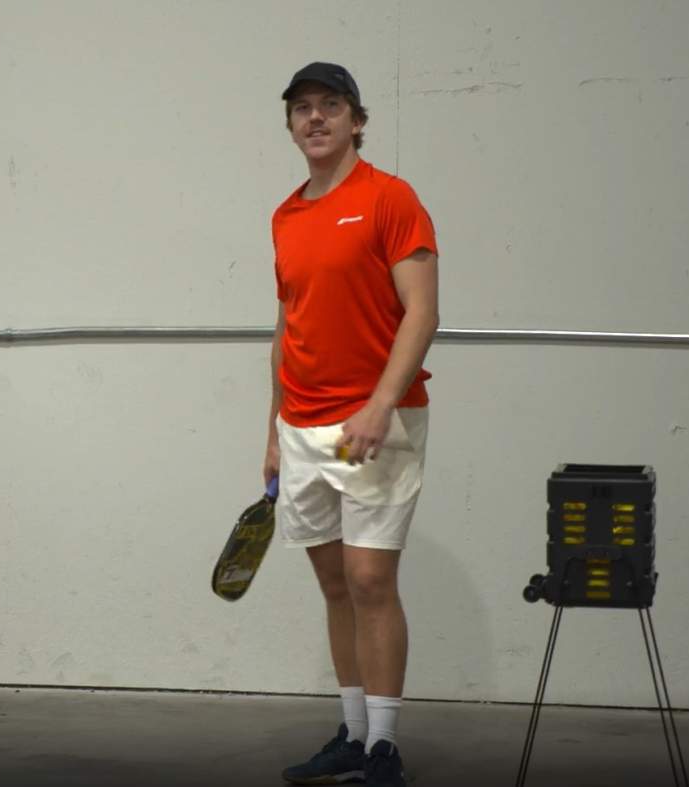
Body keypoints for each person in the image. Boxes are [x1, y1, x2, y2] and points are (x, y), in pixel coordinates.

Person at [264, 62, 439, 787]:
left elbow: (423, 312)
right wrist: (271, 428)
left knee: (371, 579)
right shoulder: (287, 214)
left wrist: (377, 403)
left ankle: (386, 746)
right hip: (302, 424)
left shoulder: (391, 199)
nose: (315, 118)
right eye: (302, 108)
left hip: (375, 420)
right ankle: (354, 732)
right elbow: (286, 323)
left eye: (330, 105)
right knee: (336, 583)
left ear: (357, 120)